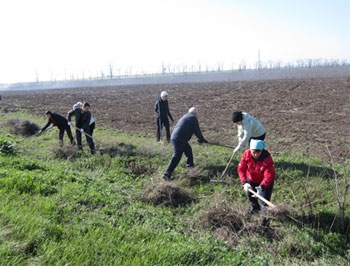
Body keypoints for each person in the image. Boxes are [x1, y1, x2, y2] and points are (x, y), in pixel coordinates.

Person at [163, 107, 208, 181]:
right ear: (195, 113)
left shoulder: (185, 116)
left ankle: (190, 167)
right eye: (197, 114)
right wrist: (202, 139)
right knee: (177, 156)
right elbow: (197, 130)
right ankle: (167, 174)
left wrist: (201, 139)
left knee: (188, 150)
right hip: (179, 139)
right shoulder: (193, 118)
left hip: (176, 137)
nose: (197, 115)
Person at [237, 139, 275, 214]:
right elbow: (241, 169)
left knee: (264, 203)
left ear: (261, 151)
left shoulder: (267, 159)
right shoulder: (246, 155)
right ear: (250, 150)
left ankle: (264, 221)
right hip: (251, 179)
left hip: (264, 183)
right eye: (254, 152)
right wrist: (245, 182)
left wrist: (262, 187)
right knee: (251, 198)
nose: (256, 155)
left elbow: (269, 175)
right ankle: (254, 210)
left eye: (258, 152)